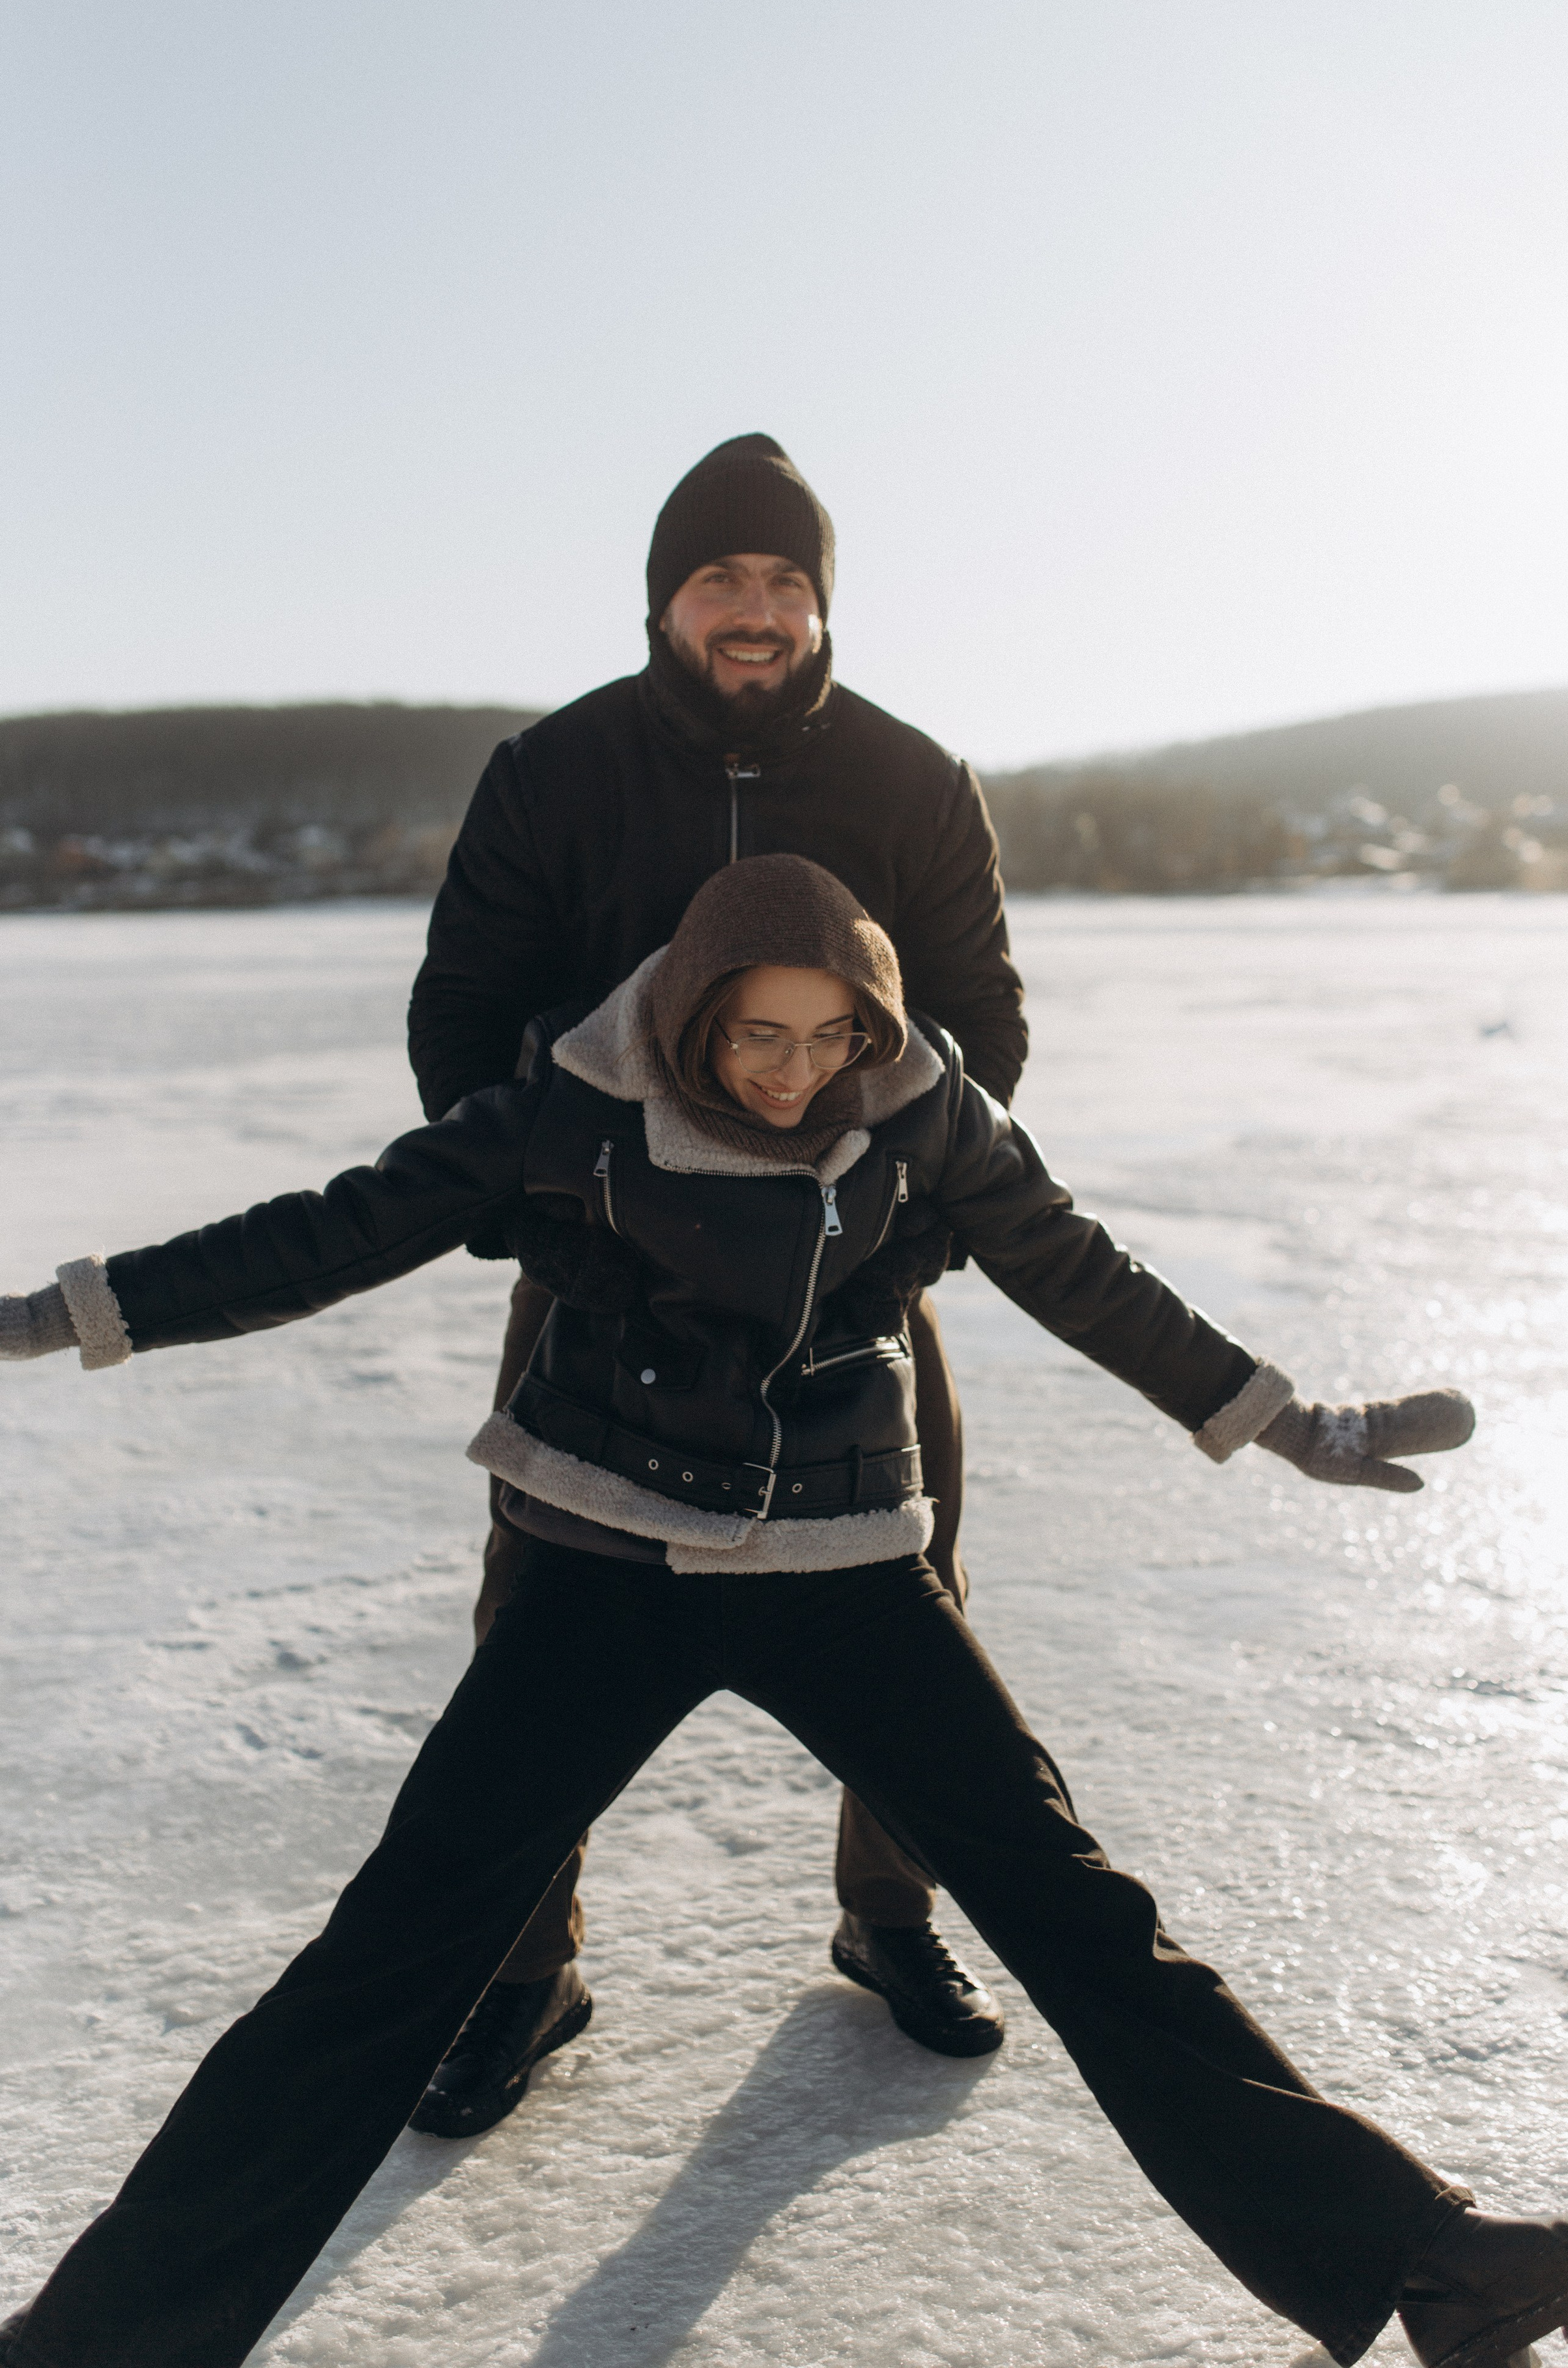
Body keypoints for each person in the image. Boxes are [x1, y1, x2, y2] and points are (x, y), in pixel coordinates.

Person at [3, 854, 1568, 2368]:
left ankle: (1427, 2266)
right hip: (608, 1561)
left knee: (1075, 1907)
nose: (791, 1070)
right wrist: (57, 1318)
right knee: (392, 1950)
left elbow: (1077, 1270)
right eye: (754, 1034)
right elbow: (327, 1234)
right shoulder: (564, 1109)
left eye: (826, 1035)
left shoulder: (923, 1108)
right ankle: (98, 2346)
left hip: (843, 1559)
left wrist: (1292, 1424)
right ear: (687, 1011)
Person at [403, 429, 1029, 2127]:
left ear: (821, 603)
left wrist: (896, 1240)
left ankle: (888, 1918)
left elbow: (983, 1033)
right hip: (608, 1281)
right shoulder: (557, 775)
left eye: (783, 582)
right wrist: (556, 1228)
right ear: (665, 596)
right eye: (718, 580)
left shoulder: (913, 780)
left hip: (854, 1280)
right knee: (537, 1621)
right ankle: (524, 1969)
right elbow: (461, 1025)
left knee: (916, 1598)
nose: (753, 611)